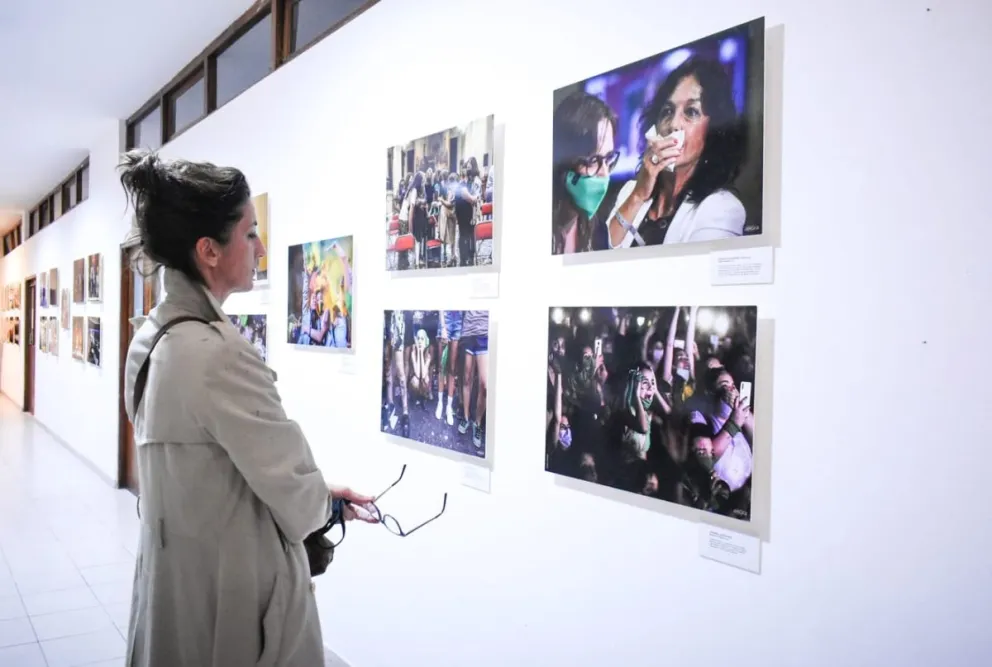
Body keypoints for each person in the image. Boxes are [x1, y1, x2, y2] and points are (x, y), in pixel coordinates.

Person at [118, 149, 377, 667]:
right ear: (209, 251)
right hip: (227, 595)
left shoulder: (152, 337)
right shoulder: (216, 352)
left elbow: (223, 464)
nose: (260, 247)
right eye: (251, 233)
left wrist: (318, 493)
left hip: (177, 577)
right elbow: (297, 497)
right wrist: (321, 501)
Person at [605, 58, 747, 248]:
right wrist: (638, 195)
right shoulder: (630, 192)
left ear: (713, 130)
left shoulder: (722, 208)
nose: (673, 124)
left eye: (691, 112)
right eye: (668, 111)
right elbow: (602, 250)